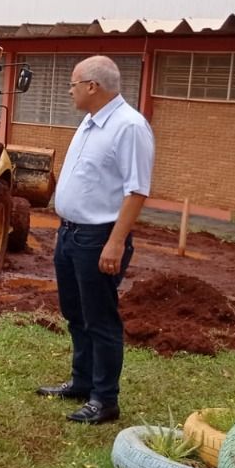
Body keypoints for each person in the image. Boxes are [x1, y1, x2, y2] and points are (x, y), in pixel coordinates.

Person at [37, 55, 155, 424]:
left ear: (93, 86)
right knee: (76, 314)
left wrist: (116, 242)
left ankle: (105, 399)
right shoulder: (90, 123)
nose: (69, 91)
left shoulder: (129, 127)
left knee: (100, 319)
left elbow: (137, 191)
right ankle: (82, 381)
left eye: (72, 84)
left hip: (98, 238)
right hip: (70, 234)